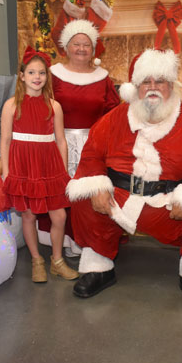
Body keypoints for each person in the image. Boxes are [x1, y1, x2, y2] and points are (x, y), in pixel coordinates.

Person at [66, 48, 182, 306]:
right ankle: (98, 267)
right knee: (85, 199)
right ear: (134, 87)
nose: (153, 88)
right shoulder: (114, 119)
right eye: (145, 82)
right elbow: (92, 153)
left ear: (171, 85)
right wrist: (97, 186)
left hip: (167, 204)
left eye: (159, 81)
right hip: (120, 200)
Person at [37, 19, 120, 258]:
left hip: (92, 146)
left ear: (93, 49)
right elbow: (40, 108)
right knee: (61, 191)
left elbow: (113, 114)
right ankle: (63, 240)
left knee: (87, 193)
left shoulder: (103, 78)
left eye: (86, 44)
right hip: (58, 142)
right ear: (66, 46)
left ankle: (87, 241)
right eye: (76, 43)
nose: (82, 48)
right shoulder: (52, 75)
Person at [0, 46, 79, 283]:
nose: (37, 77)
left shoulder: (54, 106)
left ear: (47, 77)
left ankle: (57, 261)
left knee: (59, 217)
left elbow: (61, 141)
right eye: (32, 72)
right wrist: (7, 172)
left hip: (49, 166)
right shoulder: (11, 105)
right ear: (22, 75)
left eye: (42, 73)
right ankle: (37, 260)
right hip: (23, 166)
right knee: (29, 216)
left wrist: (63, 173)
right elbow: (4, 141)